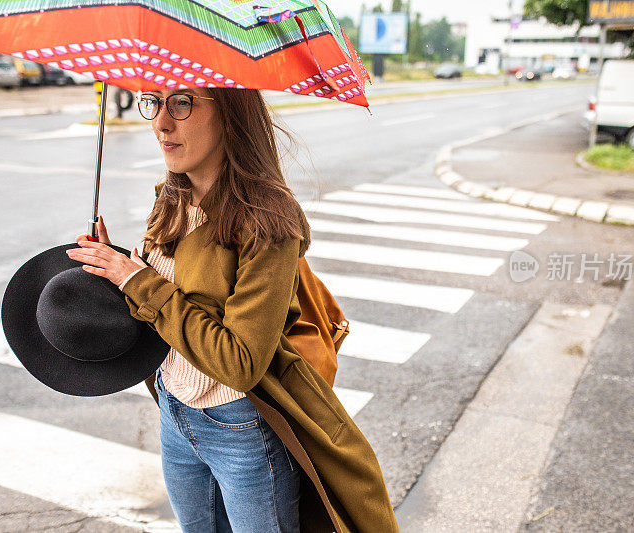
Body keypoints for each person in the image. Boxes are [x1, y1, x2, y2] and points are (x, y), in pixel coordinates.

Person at [68, 87, 399, 532]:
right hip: (174, 409)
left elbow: (240, 363)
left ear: (230, 115)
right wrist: (115, 270)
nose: (162, 122)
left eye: (182, 102)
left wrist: (136, 280)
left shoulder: (266, 223)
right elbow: (164, 305)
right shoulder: (170, 196)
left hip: (239, 427)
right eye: (154, 101)